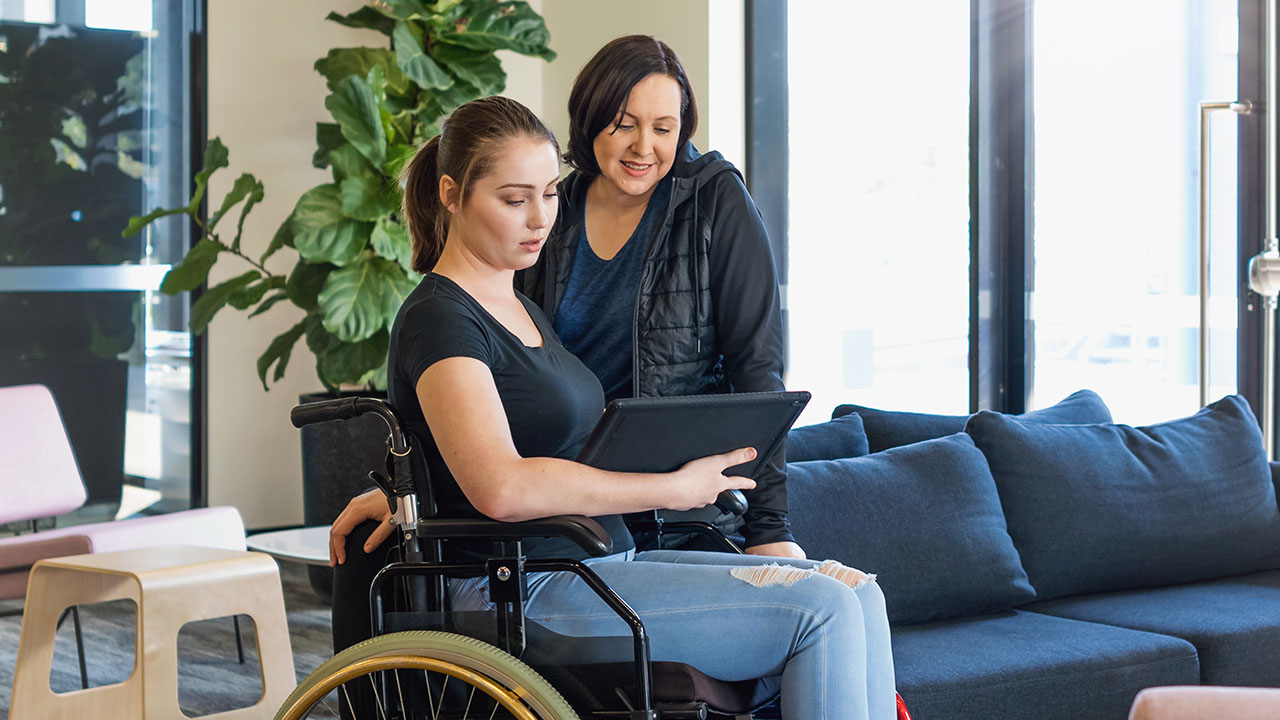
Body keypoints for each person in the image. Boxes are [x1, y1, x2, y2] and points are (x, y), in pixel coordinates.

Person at [330, 95, 896, 719]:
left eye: (549, 194)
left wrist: (413, 487)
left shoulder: (521, 308)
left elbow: (516, 441)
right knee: (824, 611)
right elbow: (501, 487)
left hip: (593, 566)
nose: (539, 218)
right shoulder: (440, 318)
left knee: (859, 592)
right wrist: (670, 488)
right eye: (514, 200)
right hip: (521, 586)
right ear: (451, 193)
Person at [518, 35, 798, 558]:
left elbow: (757, 371)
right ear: (589, 117)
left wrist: (771, 531)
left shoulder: (716, 199)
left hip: (681, 507)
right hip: (568, 505)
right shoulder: (551, 209)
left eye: (663, 128)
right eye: (623, 124)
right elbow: (496, 361)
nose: (643, 147)